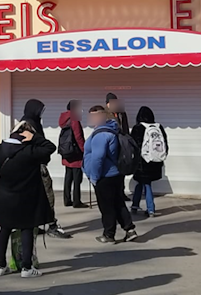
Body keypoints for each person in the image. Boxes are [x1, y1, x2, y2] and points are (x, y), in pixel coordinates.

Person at [0, 121, 57, 278]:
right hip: (26, 196)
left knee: (4, 229)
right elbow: (51, 147)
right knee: (27, 228)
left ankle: (0, 265)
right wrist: (34, 137)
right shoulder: (30, 151)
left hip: (4, 195)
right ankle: (26, 267)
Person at [83, 105, 138, 244]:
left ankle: (109, 234)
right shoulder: (113, 129)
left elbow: (98, 158)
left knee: (107, 207)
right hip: (116, 174)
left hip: (104, 177)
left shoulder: (101, 134)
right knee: (118, 203)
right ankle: (130, 229)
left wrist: (94, 177)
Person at [20, 99, 72, 239]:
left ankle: (36, 224)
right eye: (40, 110)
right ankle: (52, 225)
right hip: (36, 166)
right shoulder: (27, 124)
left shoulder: (33, 122)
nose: (41, 113)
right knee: (47, 195)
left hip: (36, 165)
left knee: (37, 196)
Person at [130, 106, 169, 217]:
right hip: (155, 161)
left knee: (145, 184)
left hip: (142, 162)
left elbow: (134, 146)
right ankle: (135, 205)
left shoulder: (138, 128)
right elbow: (165, 144)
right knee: (143, 183)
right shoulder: (159, 127)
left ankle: (150, 209)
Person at [59, 100, 87, 209]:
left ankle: (67, 199)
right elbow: (78, 136)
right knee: (77, 178)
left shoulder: (64, 119)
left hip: (67, 151)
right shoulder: (74, 119)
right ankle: (77, 201)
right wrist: (84, 150)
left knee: (68, 177)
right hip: (75, 153)